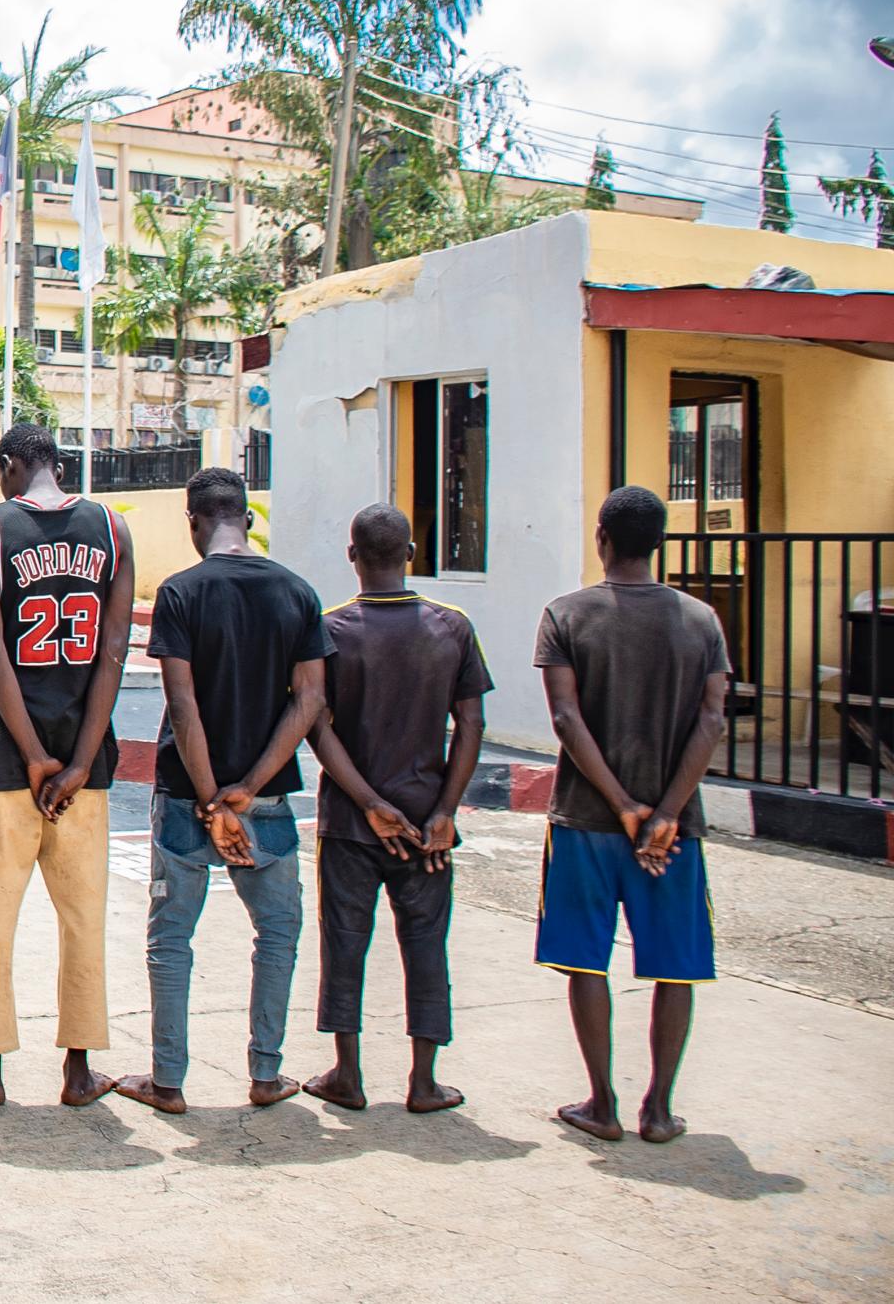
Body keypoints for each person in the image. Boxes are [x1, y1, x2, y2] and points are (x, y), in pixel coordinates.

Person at [0, 422, 133, 1113]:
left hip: (6, 758)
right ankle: (77, 1070)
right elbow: (112, 653)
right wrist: (74, 760)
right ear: (61, 467)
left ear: (9, 467)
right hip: (85, 761)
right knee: (83, 918)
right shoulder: (112, 529)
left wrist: (36, 755)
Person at [115, 466, 329, 1116]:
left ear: (193, 521)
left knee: (172, 937)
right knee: (279, 930)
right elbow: (309, 700)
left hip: (186, 797)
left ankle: (169, 1082)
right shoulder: (297, 592)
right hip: (263, 803)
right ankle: (266, 1074)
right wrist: (244, 793)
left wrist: (210, 799)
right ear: (248, 518)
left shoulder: (181, 593)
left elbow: (183, 706)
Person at [533, 485, 728, 1145]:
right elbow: (711, 719)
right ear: (660, 543)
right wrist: (666, 811)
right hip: (672, 834)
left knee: (586, 961)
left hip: (587, 818)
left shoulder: (567, 614)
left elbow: (565, 717)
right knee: (676, 964)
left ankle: (602, 1103)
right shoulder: (701, 621)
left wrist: (621, 803)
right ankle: (659, 1108)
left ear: (602, 540)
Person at [299, 504, 490, 1116]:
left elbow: (317, 726)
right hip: (426, 823)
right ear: (411, 554)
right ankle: (424, 1080)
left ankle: (348, 1075)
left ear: (352, 556)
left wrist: (369, 801)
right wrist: (446, 811)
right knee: (426, 943)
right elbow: (471, 723)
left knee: (345, 941)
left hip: (353, 822)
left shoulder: (331, 628)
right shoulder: (451, 627)